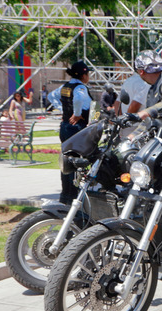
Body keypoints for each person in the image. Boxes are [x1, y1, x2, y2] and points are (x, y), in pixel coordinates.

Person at [56, 60, 92, 205]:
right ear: (83, 75)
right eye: (88, 73)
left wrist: (64, 111)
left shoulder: (66, 86)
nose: (88, 76)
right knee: (76, 161)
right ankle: (73, 195)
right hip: (75, 128)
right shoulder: (79, 87)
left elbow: (53, 96)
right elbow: (78, 99)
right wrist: (76, 113)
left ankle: (66, 194)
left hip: (65, 126)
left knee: (66, 160)